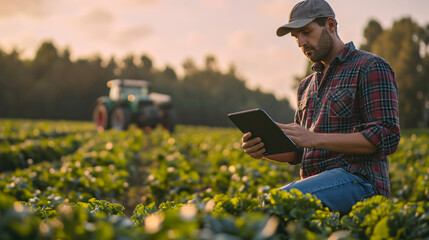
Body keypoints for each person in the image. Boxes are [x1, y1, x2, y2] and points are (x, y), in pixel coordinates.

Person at [241, 0, 400, 215]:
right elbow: (299, 152)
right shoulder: (306, 85)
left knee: (278, 203)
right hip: (319, 184)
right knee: (252, 208)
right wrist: (263, 149)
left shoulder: (370, 66)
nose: (301, 42)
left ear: (331, 25)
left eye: (306, 32)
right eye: (296, 37)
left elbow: (387, 136)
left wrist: (315, 137)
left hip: (361, 183)